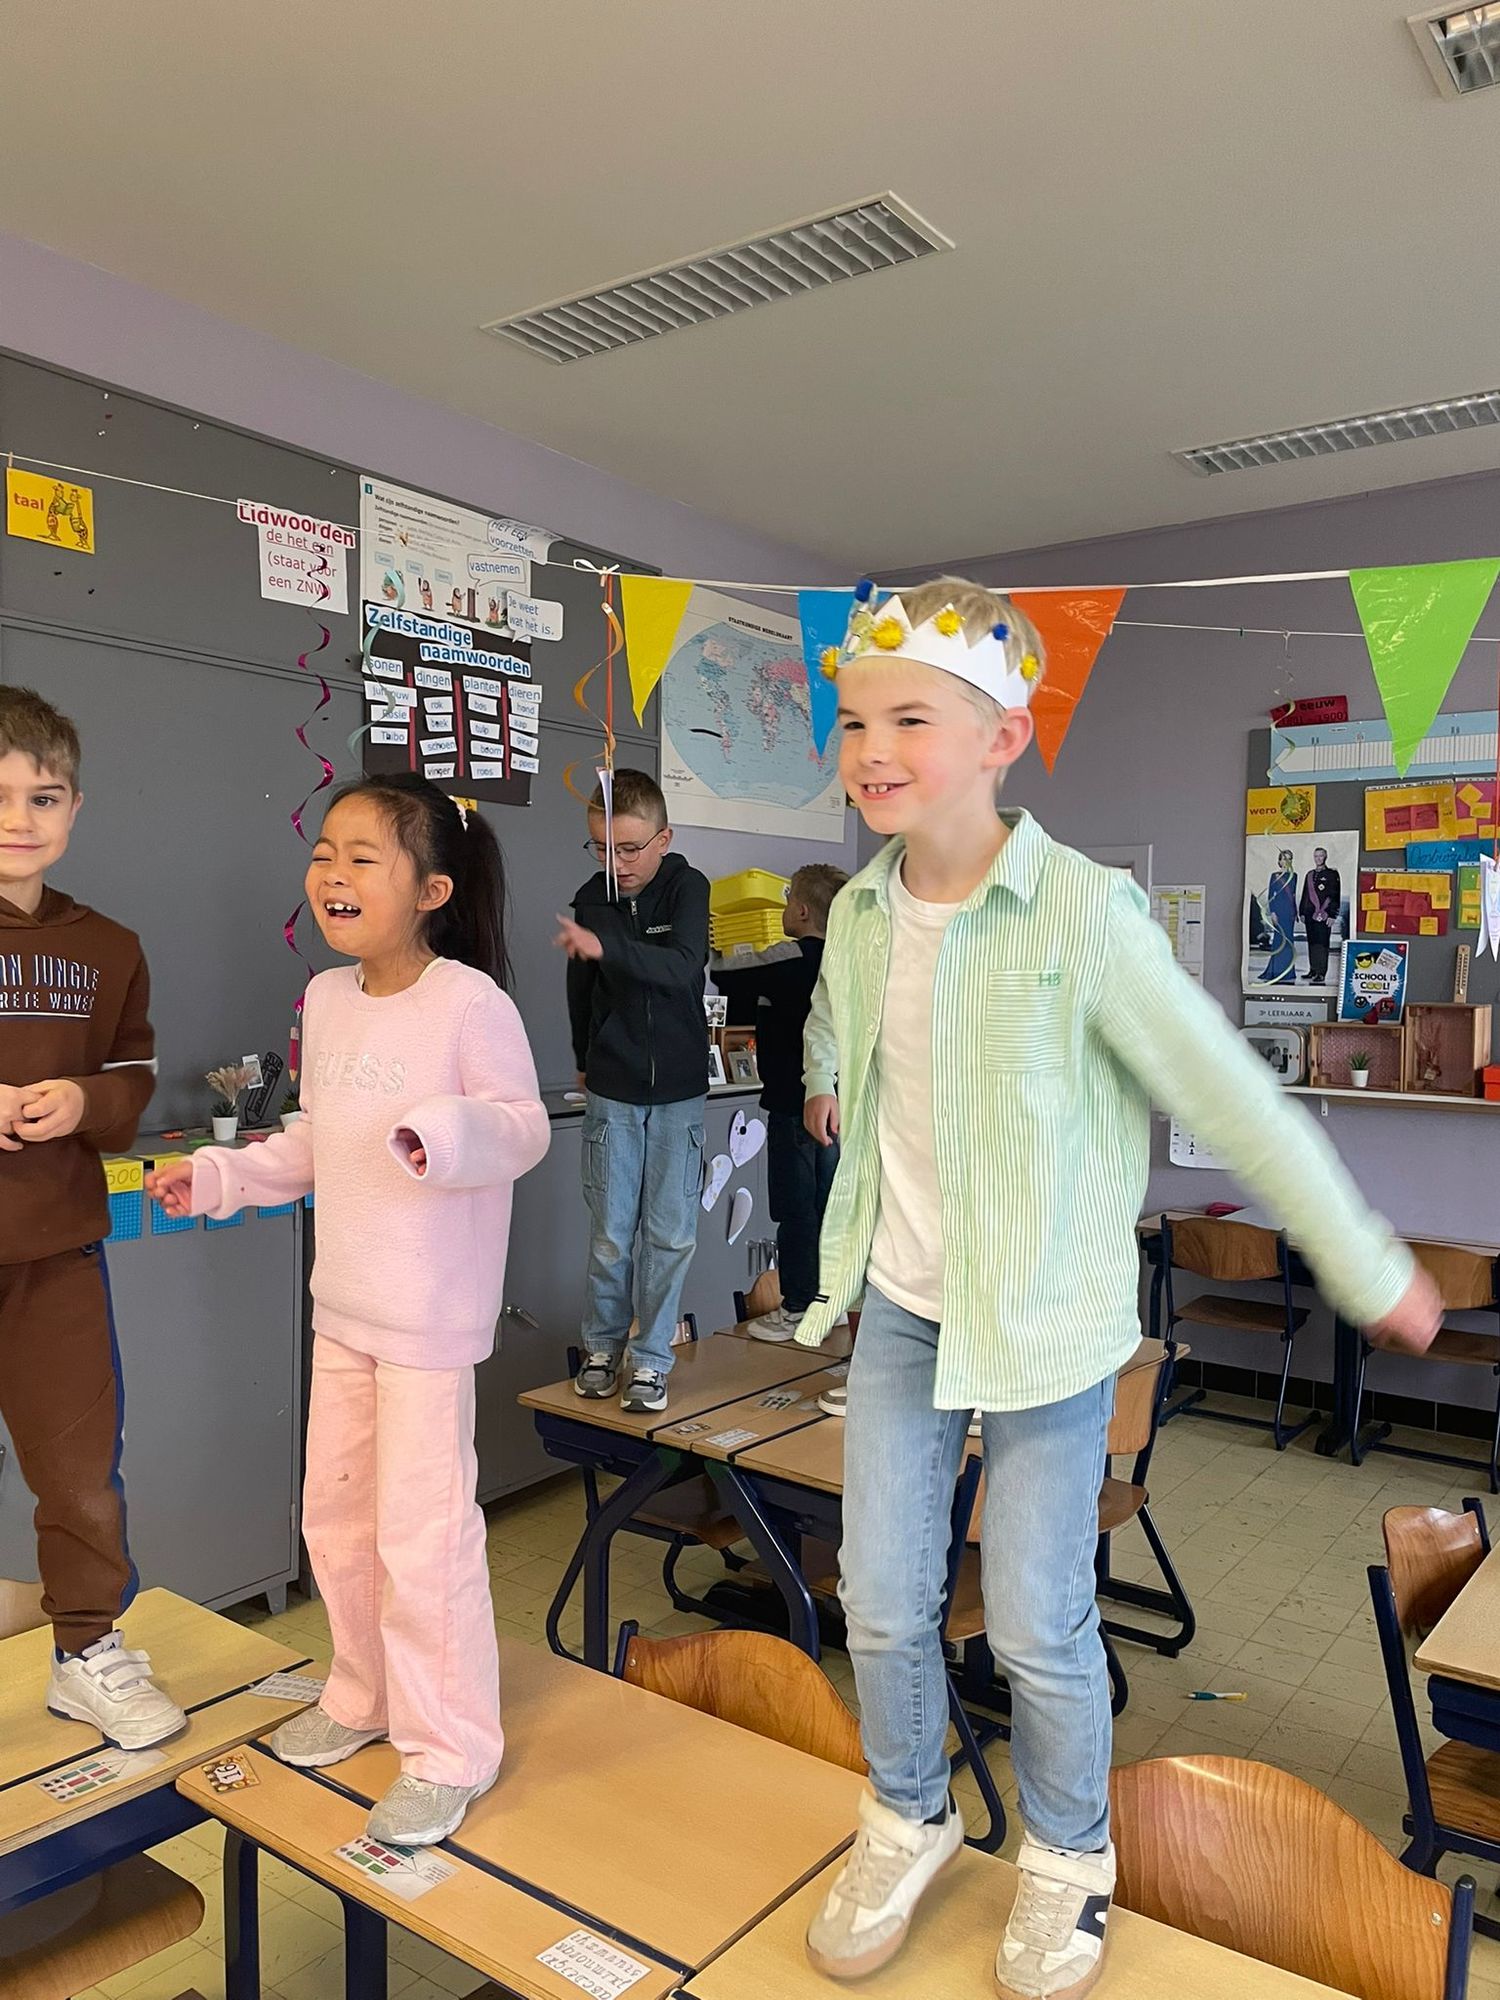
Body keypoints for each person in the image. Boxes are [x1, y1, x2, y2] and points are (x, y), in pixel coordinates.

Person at [793, 578, 1442, 1998]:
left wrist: (1364, 1257)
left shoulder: (1084, 913)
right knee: (882, 1599)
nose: (871, 748)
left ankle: (1069, 1852)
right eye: (853, 721)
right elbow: (843, 1035)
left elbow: (1235, 1093)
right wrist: (827, 1087)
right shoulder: (857, 914)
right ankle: (906, 1813)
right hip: (903, 1303)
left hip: (1048, 1322)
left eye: (909, 719)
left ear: (1002, 737)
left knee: (1035, 1620)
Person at [149, 776, 549, 1848]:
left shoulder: (470, 1002)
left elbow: (521, 1126)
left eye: (363, 856)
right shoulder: (325, 1000)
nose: (332, 872)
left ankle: (449, 1747)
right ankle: (362, 1690)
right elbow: (315, 1141)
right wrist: (220, 1177)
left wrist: (440, 1135)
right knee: (333, 1516)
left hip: (429, 1321)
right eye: (325, 851)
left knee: (425, 1537)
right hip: (345, 1309)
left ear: (431, 889)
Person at [0, 687, 184, 1749]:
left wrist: (83, 1101)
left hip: (57, 1253)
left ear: (75, 806)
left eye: (44, 795)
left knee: (79, 1476)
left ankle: (86, 1652)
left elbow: (132, 1077)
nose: (20, 818)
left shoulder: (110, 945)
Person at [555, 769, 710, 1414]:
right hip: (613, 1087)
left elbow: (683, 966)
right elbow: (581, 990)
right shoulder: (591, 901)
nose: (616, 864)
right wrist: (582, 1057)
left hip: (679, 1090)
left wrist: (607, 948)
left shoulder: (687, 888)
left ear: (663, 839)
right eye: (602, 848)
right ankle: (602, 1347)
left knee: (670, 1235)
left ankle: (651, 1360)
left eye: (629, 849)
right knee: (611, 1233)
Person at [713, 862, 848, 1341]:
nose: (784, 912)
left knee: (795, 1208)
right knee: (830, 1206)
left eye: (787, 903)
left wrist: (722, 942)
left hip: (795, 1104)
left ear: (803, 911)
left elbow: (725, 974)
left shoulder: (790, 956)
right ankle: (831, 1301)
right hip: (839, 1105)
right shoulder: (849, 960)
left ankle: (797, 1306)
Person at [1299, 844, 1340, 984]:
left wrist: (1333, 915)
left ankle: (1321, 973)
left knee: (1322, 944)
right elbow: (1305, 895)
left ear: (1325, 857)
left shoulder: (1332, 874)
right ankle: (1313, 969)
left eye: (1321, 856)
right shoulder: (1309, 874)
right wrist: (1302, 912)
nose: (1318, 859)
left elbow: (1335, 895)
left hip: (1324, 914)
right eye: (1316, 856)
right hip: (1310, 915)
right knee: (1312, 943)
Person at [1257, 848, 1298, 985]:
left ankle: (1288, 972)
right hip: (1278, 913)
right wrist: (1273, 912)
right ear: (1279, 861)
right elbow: (1271, 896)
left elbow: (1293, 896)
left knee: (1289, 942)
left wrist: (1295, 912)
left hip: (1289, 913)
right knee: (1279, 941)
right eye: (1284, 859)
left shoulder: (1294, 876)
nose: (1287, 861)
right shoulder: (1274, 876)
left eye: (1289, 859)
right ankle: (1275, 971)